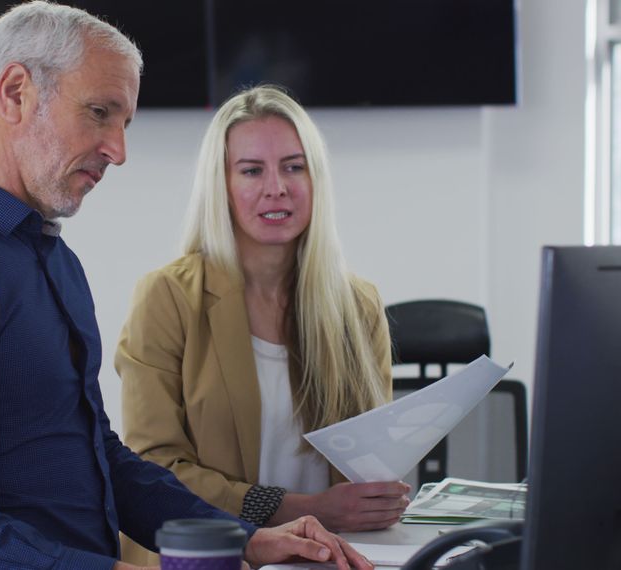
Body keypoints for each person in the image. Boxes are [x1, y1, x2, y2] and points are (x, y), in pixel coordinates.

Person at [0, 3, 372, 569]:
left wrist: (246, 536)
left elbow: (105, 461)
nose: (117, 151)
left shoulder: (49, 258)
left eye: (123, 124)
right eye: (99, 113)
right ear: (15, 93)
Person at [117, 85, 411, 564]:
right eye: (252, 170)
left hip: (328, 558)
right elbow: (157, 468)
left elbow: (368, 457)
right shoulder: (168, 298)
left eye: (294, 167)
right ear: (222, 185)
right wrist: (302, 510)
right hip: (211, 559)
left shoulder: (357, 304)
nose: (277, 187)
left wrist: (376, 498)